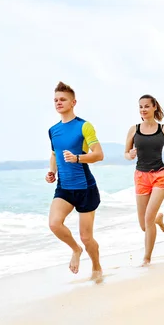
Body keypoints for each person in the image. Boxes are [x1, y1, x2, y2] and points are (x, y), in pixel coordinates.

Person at [45, 81, 104, 281]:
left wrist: (78, 158)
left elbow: (98, 154)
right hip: (64, 187)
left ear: (73, 102)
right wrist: (51, 171)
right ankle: (75, 249)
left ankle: (96, 267)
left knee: (87, 237)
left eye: (62, 100)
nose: (58, 103)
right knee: (54, 224)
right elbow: (55, 154)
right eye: (55, 100)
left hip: (85, 187)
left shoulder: (84, 126)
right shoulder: (53, 130)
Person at [124, 94, 164, 266]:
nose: (143, 110)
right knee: (144, 225)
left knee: (148, 219)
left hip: (160, 176)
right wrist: (130, 154)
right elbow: (126, 153)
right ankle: (158, 218)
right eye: (141, 107)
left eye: (147, 106)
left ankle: (147, 259)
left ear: (154, 107)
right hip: (141, 176)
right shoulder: (134, 129)